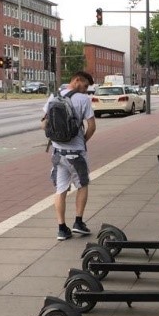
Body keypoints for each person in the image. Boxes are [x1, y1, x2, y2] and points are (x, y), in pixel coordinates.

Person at [41, 71, 96, 240]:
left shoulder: (54, 97)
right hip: (77, 154)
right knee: (82, 185)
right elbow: (92, 126)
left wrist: (58, 138)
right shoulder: (83, 100)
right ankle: (78, 223)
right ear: (77, 80)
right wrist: (82, 141)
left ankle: (61, 228)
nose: (86, 90)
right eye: (85, 86)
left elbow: (43, 124)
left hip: (58, 153)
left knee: (60, 190)